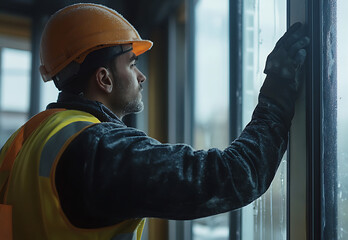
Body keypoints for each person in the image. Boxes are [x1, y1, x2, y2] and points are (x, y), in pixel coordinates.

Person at [0, 3, 310, 240]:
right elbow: (236, 176)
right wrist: (276, 95)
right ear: (104, 78)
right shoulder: (100, 148)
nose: (141, 76)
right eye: (132, 64)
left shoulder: (23, 141)